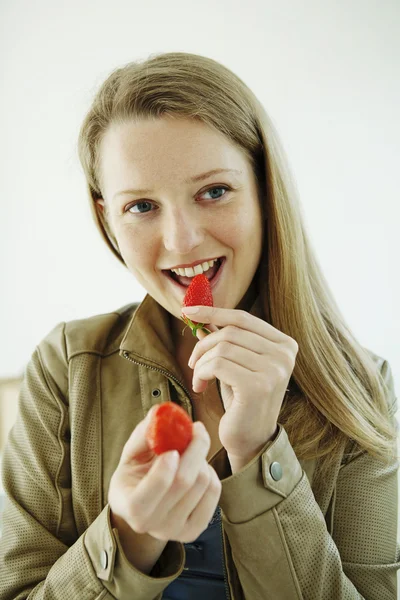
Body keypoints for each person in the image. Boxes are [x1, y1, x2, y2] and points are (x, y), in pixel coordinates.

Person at [0, 51, 399, 600]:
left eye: (214, 191)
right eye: (141, 206)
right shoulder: (63, 369)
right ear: (106, 222)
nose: (182, 241)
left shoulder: (363, 387)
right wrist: (129, 535)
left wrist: (259, 451)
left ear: (264, 192)